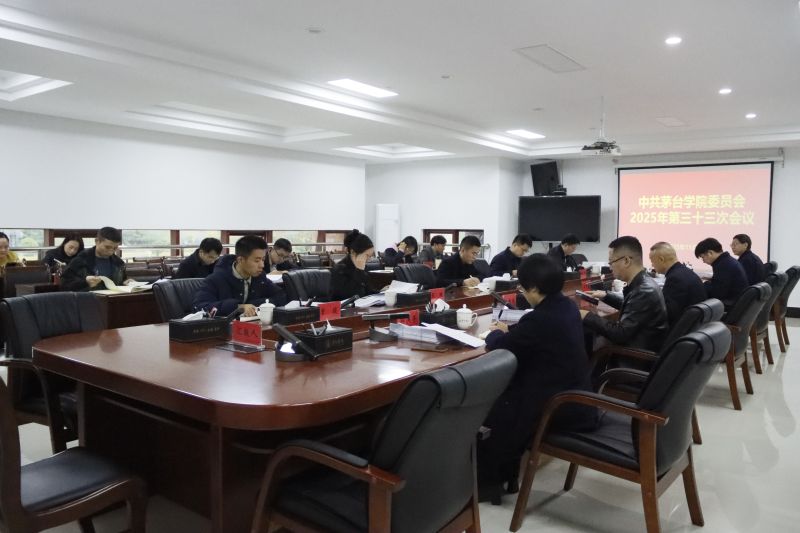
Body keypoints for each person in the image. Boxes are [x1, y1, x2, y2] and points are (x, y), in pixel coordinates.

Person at [477, 254, 597, 504]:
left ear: (533, 288)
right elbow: (530, 336)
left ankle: (489, 482)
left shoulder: (540, 318)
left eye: (522, 288)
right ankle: (505, 477)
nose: (522, 292)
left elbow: (504, 346)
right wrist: (512, 331)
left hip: (559, 406)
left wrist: (492, 334)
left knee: (493, 405)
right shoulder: (566, 306)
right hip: (576, 396)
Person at [581, 236, 668, 352]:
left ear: (626, 261)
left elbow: (619, 334)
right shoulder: (644, 283)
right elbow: (633, 306)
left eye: (611, 262)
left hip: (635, 356)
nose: (610, 267)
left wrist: (586, 315)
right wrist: (606, 296)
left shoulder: (644, 290)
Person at [193, 235, 286, 316]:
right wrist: (238, 307)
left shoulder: (260, 278)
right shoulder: (216, 279)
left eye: (263, 259)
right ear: (240, 260)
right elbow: (200, 307)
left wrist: (254, 305)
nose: (262, 265)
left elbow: (280, 296)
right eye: (257, 260)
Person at [649, 242, 706, 326]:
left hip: (681, 328)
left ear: (661, 259)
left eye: (652, 261)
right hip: (695, 324)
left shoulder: (675, 279)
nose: (652, 265)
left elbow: (667, 313)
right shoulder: (684, 271)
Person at [61, 227, 133, 291]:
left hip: (112, 300)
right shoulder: (81, 260)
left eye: (115, 248)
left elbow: (121, 283)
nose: (111, 251)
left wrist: (127, 283)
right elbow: (64, 285)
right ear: (97, 241)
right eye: (107, 247)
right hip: (87, 300)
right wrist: (85, 282)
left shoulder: (119, 263)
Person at [695, 237, 748, 308]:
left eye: (702, 257)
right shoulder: (726, 261)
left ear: (710, 253)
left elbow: (717, 294)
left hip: (729, 305)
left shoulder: (724, 265)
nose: (703, 261)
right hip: (735, 302)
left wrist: (702, 284)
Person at [330, 229, 376, 300]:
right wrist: (359, 271)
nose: (369, 260)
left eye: (370, 256)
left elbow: (368, 292)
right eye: (367, 255)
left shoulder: (361, 267)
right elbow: (351, 296)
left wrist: (381, 292)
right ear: (353, 252)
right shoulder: (339, 270)